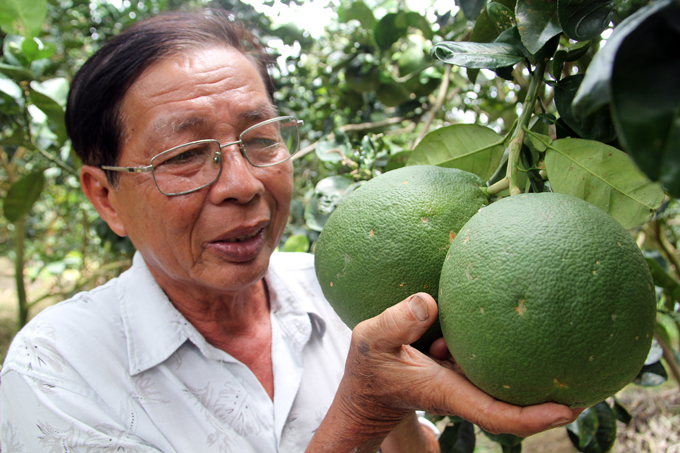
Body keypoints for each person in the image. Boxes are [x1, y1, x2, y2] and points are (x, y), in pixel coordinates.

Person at [0, 9, 581, 452]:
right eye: (184, 154)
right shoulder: (56, 369)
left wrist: (404, 398)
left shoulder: (348, 291)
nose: (243, 183)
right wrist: (361, 412)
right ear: (106, 196)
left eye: (260, 140)